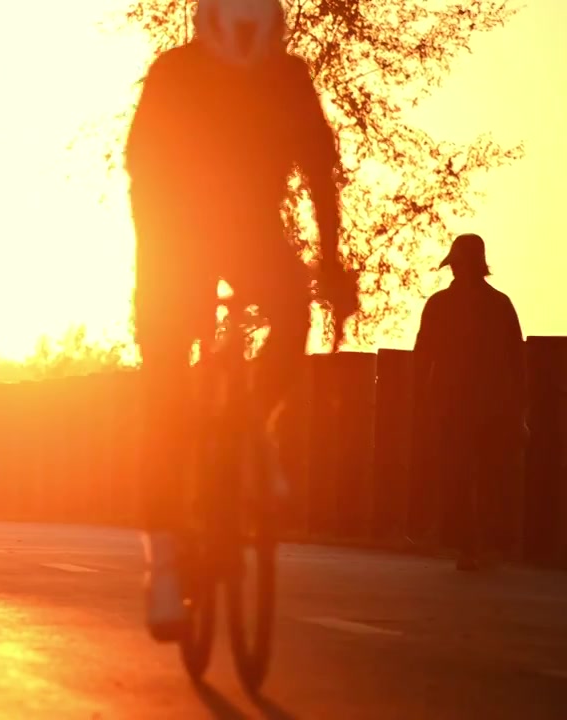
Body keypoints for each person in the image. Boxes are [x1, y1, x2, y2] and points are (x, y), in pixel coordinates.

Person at [124, 0, 358, 641]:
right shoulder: (173, 75)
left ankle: (257, 423)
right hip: (173, 236)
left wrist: (331, 264)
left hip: (251, 233)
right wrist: (168, 286)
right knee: (166, 394)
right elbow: (142, 174)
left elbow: (319, 174)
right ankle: (165, 563)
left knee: (293, 307)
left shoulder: (289, 78)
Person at [413, 233, 527, 571]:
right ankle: (481, 544)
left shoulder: (440, 304)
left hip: (461, 408)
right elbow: (517, 362)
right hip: (487, 408)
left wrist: (422, 404)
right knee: (485, 477)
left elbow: (422, 358)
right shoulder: (499, 304)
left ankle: (471, 544)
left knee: (461, 476)